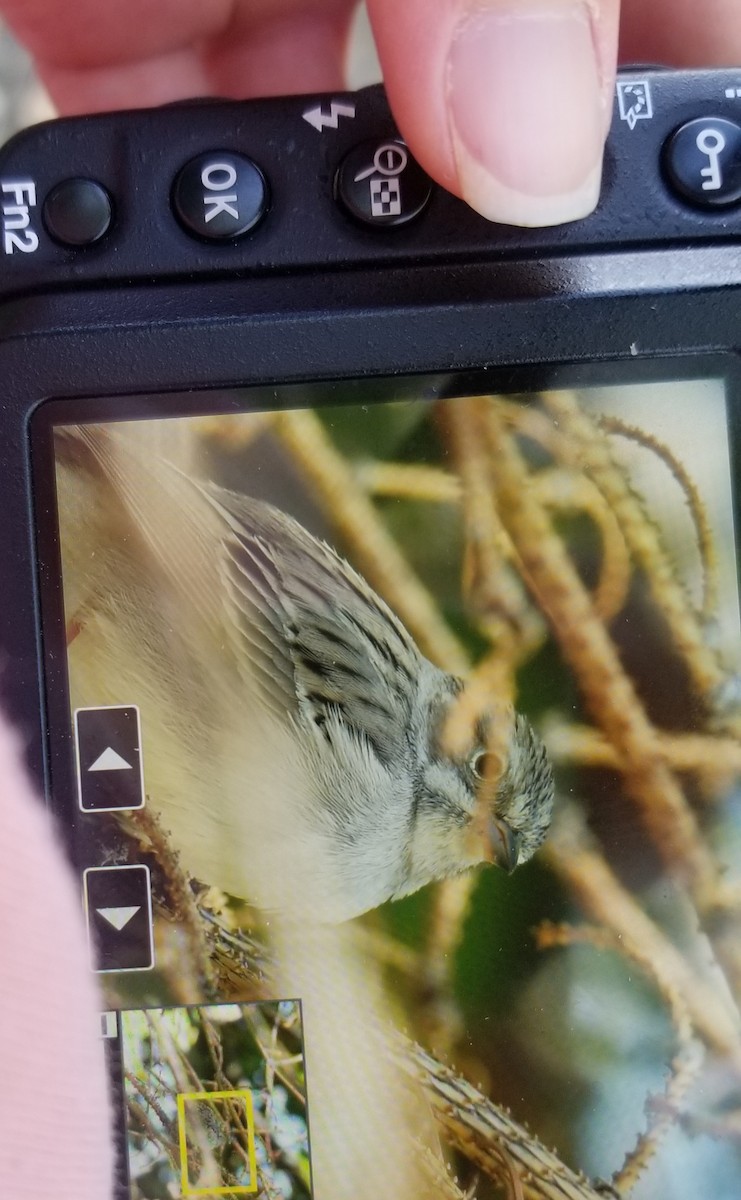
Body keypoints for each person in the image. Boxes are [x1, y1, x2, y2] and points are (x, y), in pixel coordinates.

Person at [0, 2, 739, 1197]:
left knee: (186, 1132)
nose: (465, 845)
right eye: (480, 800)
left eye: (480, 842)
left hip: (96, 666)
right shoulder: (368, 785)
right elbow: (228, 569)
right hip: (121, 575)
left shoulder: (355, 870)